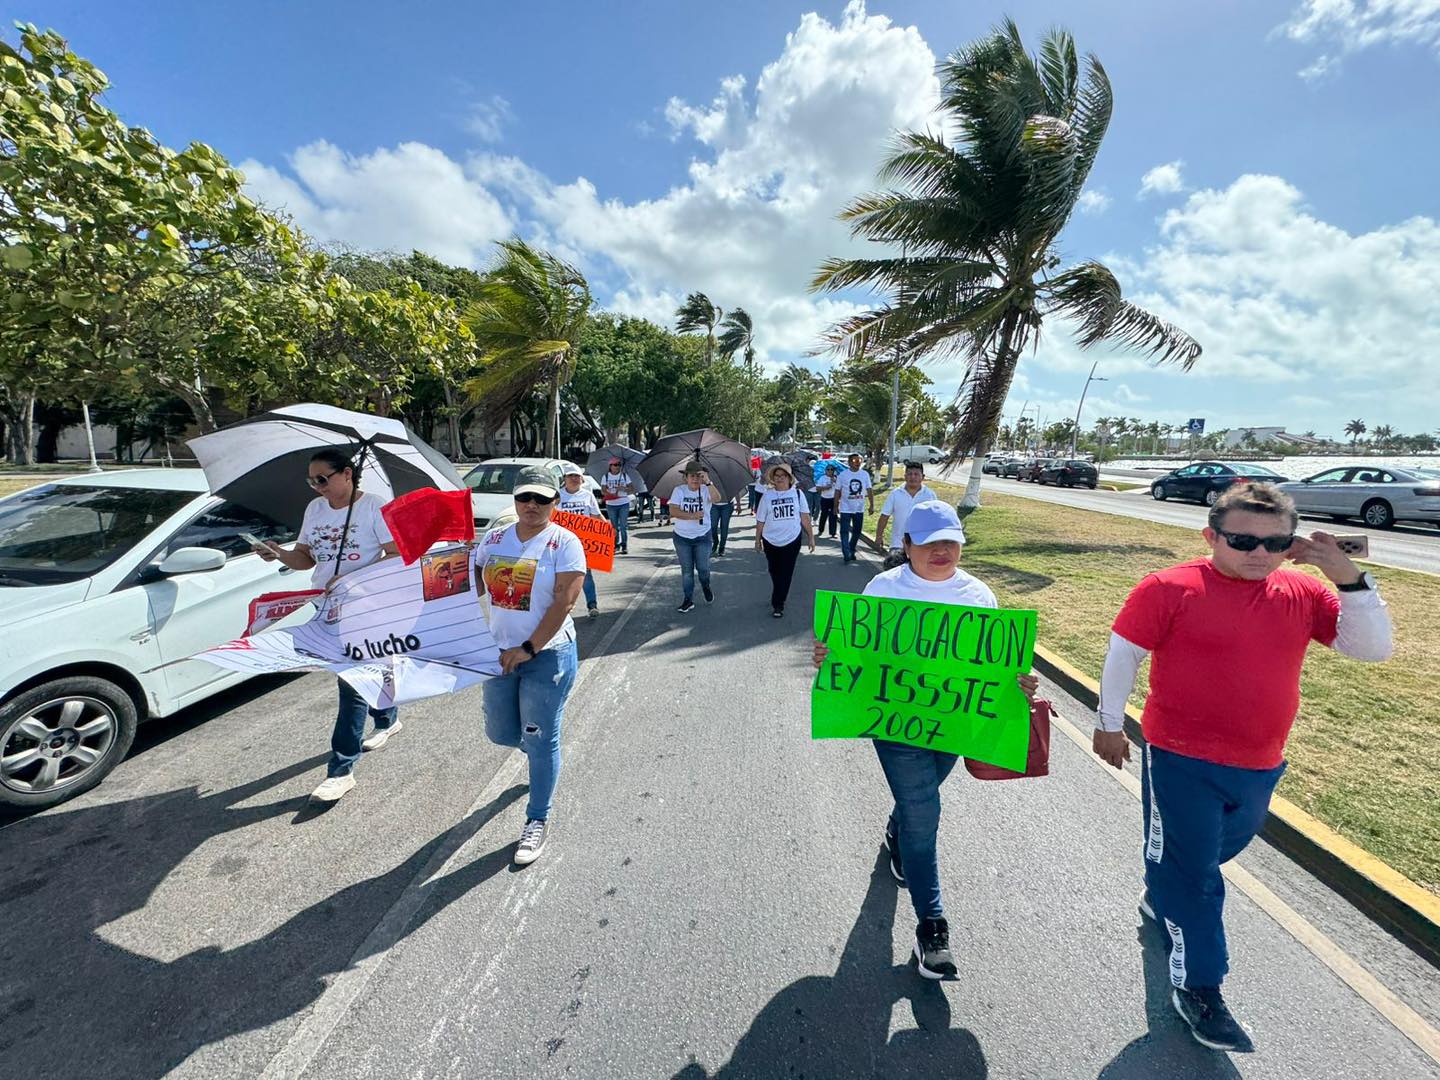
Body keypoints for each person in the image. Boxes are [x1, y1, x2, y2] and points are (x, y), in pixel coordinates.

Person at [1093, 483, 1392, 1052]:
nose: (1259, 553)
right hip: (1178, 756)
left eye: (1276, 542)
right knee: (1197, 879)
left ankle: (1165, 889)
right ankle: (1201, 986)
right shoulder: (1169, 587)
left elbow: (1371, 648)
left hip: (1259, 761)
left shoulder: (1302, 591)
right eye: (1242, 540)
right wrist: (1110, 724)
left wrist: (1348, 577)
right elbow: (1122, 654)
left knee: (1213, 853)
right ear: (1211, 536)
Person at [812, 501, 1038, 978]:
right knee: (924, 809)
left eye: (950, 541)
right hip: (896, 727)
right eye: (930, 541)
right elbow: (855, 654)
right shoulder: (884, 588)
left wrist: (1020, 681)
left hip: (952, 727)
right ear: (907, 546)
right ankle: (931, 927)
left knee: (920, 800)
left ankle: (897, 834)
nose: (942, 550)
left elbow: (998, 670)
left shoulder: (979, 595)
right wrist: (831, 656)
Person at [253, 448, 400, 804]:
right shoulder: (314, 509)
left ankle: (341, 770)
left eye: (323, 479)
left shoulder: (372, 506)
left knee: (349, 682)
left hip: (364, 607)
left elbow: (395, 555)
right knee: (366, 674)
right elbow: (305, 558)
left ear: (347, 475)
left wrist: (353, 580)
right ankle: (388, 718)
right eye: (311, 480)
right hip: (325, 606)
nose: (316, 486)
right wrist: (279, 553)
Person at [476, 465, 588, 865]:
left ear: (556, 503)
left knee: (542, 739)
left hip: (547, 656)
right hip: (499, 654)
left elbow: (565, 603)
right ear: (515, 500)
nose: (532, 505)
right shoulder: (494, 538)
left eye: (542, 498)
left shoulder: (566, 543)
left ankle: (537, 818)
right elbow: (473, 572)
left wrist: (528, 647)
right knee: (502, 734)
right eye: (525, 497)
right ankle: (537, 752)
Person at [753, 461, 815, 617]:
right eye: (777, 476)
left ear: (789, 478)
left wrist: (811, 537)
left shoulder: (798, 494)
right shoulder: (767, 496)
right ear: (773, 478)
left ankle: (778, 604)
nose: (780, 478)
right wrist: (757, 539)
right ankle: (778, 593)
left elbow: (805, 517)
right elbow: (760, 519)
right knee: (774, 571)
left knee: (786, 572)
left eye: (783, 476)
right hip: (770, 540)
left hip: (792, 539)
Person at [669, 461, 721, 613]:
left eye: (699, 476)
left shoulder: (706, 490)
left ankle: (705, 585)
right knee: (687, 571)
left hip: (702, 537)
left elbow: (717, 499)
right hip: (682, 538)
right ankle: (688, 599)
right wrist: (692, 516)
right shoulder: (679, 491)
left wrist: (708, 482)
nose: (695, 479)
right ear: (685, 477)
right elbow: (673, 511)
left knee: (703, 569)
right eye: (692, 476)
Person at [557, 462, 603, 618]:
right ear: (565, 478)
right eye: (571, 476)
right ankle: (565, 606)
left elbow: (596, 516)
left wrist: (608, 530)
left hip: (584, 543)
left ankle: (592, 605)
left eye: (577, 476)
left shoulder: (587, 495)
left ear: (582, 479)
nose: (574, 479)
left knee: (586, 574)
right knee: (561, 575)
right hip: (562, 543)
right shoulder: (557, 496)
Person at [876, 462, 937, 569]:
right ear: (905, 476)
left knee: (917, 578)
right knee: (894, 576)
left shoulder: (930, 495)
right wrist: (879, 536)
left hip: (921, 545)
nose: (913, 477)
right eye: (909, 474)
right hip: (897, 544)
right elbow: (884, 516)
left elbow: (935, 520)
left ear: (922, 477)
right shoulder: (895, 494)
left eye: (916, 474)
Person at [835, 453, 874, 563]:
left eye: (859, 460)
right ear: (849, 462)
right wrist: (835, 505)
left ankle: (851, 549)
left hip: (859, 509)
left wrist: (871, 505)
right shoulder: (842, 475)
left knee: (857, 531)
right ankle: (846, 552)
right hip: (845, 508)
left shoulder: (865, 474)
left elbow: (869, 489)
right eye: (854, 460)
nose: (857, 462)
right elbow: (837, 491)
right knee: (844, 531)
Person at [600, 457, 634, 555]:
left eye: (619, 464)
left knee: (623, 526)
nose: (617, 467)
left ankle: (624, 545)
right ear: (610, 466)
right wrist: (610, 492)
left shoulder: (624, 476)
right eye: (615, 465)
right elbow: (603, 490)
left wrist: (623, 488)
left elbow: (632, 489)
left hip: (623, 503)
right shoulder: (605, 476)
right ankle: (615, 544)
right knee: (614, 527)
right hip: (611, 504)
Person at [816, 463, 840, 538]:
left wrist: (835, 481)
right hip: (824, 499)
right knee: (824, 515)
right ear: (825, 471)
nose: (830, 471)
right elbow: (818, 488)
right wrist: (826, 487)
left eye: (831, 469)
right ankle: (820, 530)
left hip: (834, 499)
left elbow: (840, 488)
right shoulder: (822, 478)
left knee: (833, 515)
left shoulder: (837, 478)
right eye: (828, 469)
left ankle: (833, 532)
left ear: (834, 471)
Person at [711, 483, 735, 557]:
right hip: (714, 505)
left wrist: (739, 504)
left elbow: (735, 490)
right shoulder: (710, 476)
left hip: (727, 505)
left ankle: (722, 547)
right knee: (713, 526)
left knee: (724, 526)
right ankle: (715, 542)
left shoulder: (729, 475)